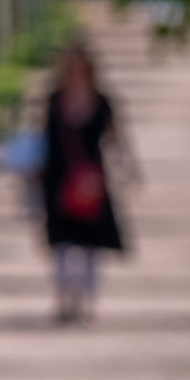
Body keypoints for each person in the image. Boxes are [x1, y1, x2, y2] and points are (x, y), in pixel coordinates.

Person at [42, 44, 131, 324]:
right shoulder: (54, 100)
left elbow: (116, 137)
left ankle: (88, 301)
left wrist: (127, 168)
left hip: (91, 182)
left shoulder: (101, 101)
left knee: (91, 244)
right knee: (62, 245)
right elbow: (42, 138)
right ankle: (64, 298)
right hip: (58, 180)